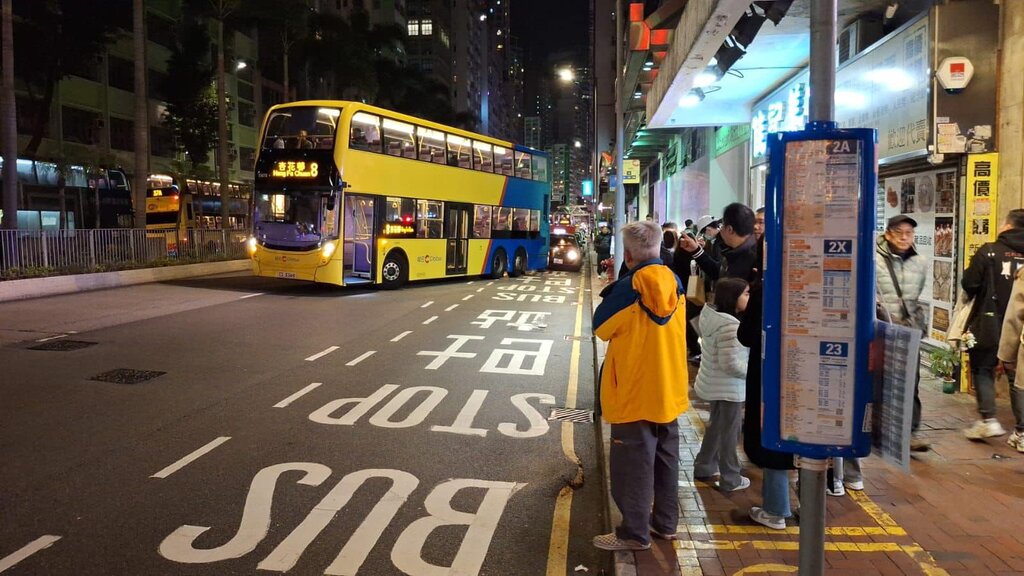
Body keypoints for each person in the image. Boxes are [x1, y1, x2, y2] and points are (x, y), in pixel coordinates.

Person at [592, 220, 689, 551]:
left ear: (630, 255)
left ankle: (634, 533)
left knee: (632, 465)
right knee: (666, 459)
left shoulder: (629, 287)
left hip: (633, 391)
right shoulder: (674, 281)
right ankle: (665, 524)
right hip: (669, 390)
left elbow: (601, 327)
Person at [738, 239, 795, 530]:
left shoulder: (765, 289)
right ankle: (805, 506)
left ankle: (776, 508)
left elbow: (746, 336)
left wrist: (745, 307)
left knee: (771, 434)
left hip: (768, 373)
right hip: (802, 373)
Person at [964, 209, 1024, 441]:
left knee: (982, 368)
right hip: (1020, 327)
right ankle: (1021, 429)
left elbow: (969, 283)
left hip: (990, 321)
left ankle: (989, 419)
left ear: (1008, 226)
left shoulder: (989, 251)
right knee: (1017, 376)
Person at [875, 214, 930, 454]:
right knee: (880, 380)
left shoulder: (920, 262)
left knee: (910, 381)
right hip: (880, 327)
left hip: (909, 328)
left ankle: (909, 432)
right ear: (888, 234)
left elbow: (915, 296)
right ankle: (878, 430)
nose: (905, 237)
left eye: (909, 233)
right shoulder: (873, 259)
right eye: (900, 233)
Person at [693, 277, 751, 492]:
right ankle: (731, 478)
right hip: (729, 387)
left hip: (714, 383)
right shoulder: (731, 326)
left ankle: (704, 466)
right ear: (733, 298)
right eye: (746, 293)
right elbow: (731, 365)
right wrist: (753, 373)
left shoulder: (712, 317)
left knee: (716, 427)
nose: (749, 297)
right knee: (730, 434)